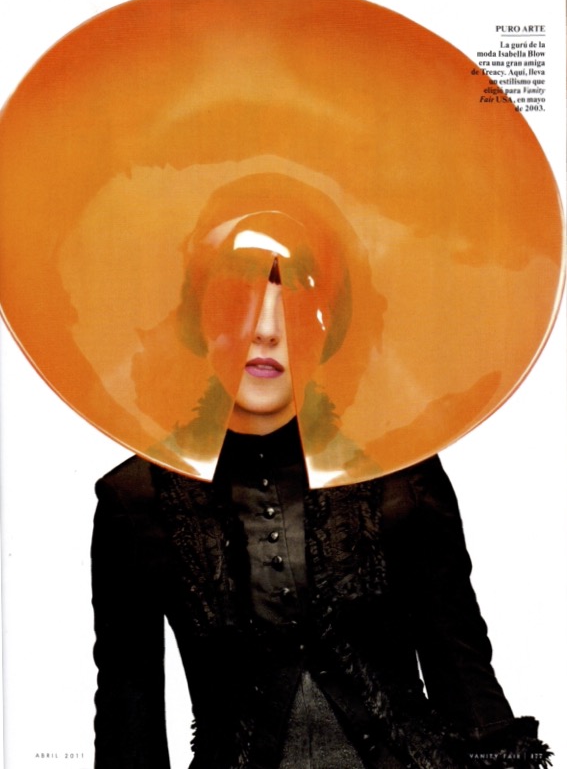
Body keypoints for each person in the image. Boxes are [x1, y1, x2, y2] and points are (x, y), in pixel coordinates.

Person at [91, 204, 551, 768]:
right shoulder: (135, 499)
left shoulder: (400, 476)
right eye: (237, 302)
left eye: (293, 304)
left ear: (327, 325)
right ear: (198, 321)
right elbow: (128, 713)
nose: (266, 331)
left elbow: (462, 675)